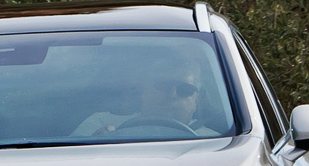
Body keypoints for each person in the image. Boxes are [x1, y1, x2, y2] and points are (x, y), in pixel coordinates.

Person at [73, 53, 216, 137]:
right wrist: (97, 144)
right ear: (143, 90)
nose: (172, 95)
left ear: (196, 101)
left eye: (185, 90)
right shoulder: (100, 124)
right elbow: (67, 165)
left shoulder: (216, 144)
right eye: (163, 85)